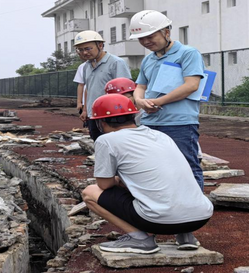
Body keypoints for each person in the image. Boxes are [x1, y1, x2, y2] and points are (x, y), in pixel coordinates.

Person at [82, 94, 213, 254]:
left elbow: (104, 185)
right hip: (201, 217)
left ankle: (140, 239)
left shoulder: (107, 140)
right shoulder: (160, 135)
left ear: (100, 123)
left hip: (159, 221)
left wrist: (118, 180)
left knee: (90, 193)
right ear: (133, 117)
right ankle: (185, 236)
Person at [130, 10, 206, 191]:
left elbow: (191, 85)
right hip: (149, 122)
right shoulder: (148, 59)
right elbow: (140, 86)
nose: (146, 42)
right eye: (141, 38)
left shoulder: (187, 53)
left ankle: (195, 209)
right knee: (155, 167)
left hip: (179, 122)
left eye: (150, 36)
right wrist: (140, 101)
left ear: (166, 31)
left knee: (186, 165)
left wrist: (158, 102)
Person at [75, 30, 131, 141]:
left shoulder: (116, 63)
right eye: (80, 50)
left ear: (100, 45)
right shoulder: (86, 66)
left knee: (114, 145)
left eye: (88, 48)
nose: (84, 53)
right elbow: (88, 89)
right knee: (98, 144)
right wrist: (85, 110)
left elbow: (126, 91)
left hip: (112, 116)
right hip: (93, 115)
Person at [73, 62, 87, 128]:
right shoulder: (82, 66)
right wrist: (79, 102)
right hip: (85, 102)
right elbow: (81, 84)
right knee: (88, 125)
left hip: (102, 101)